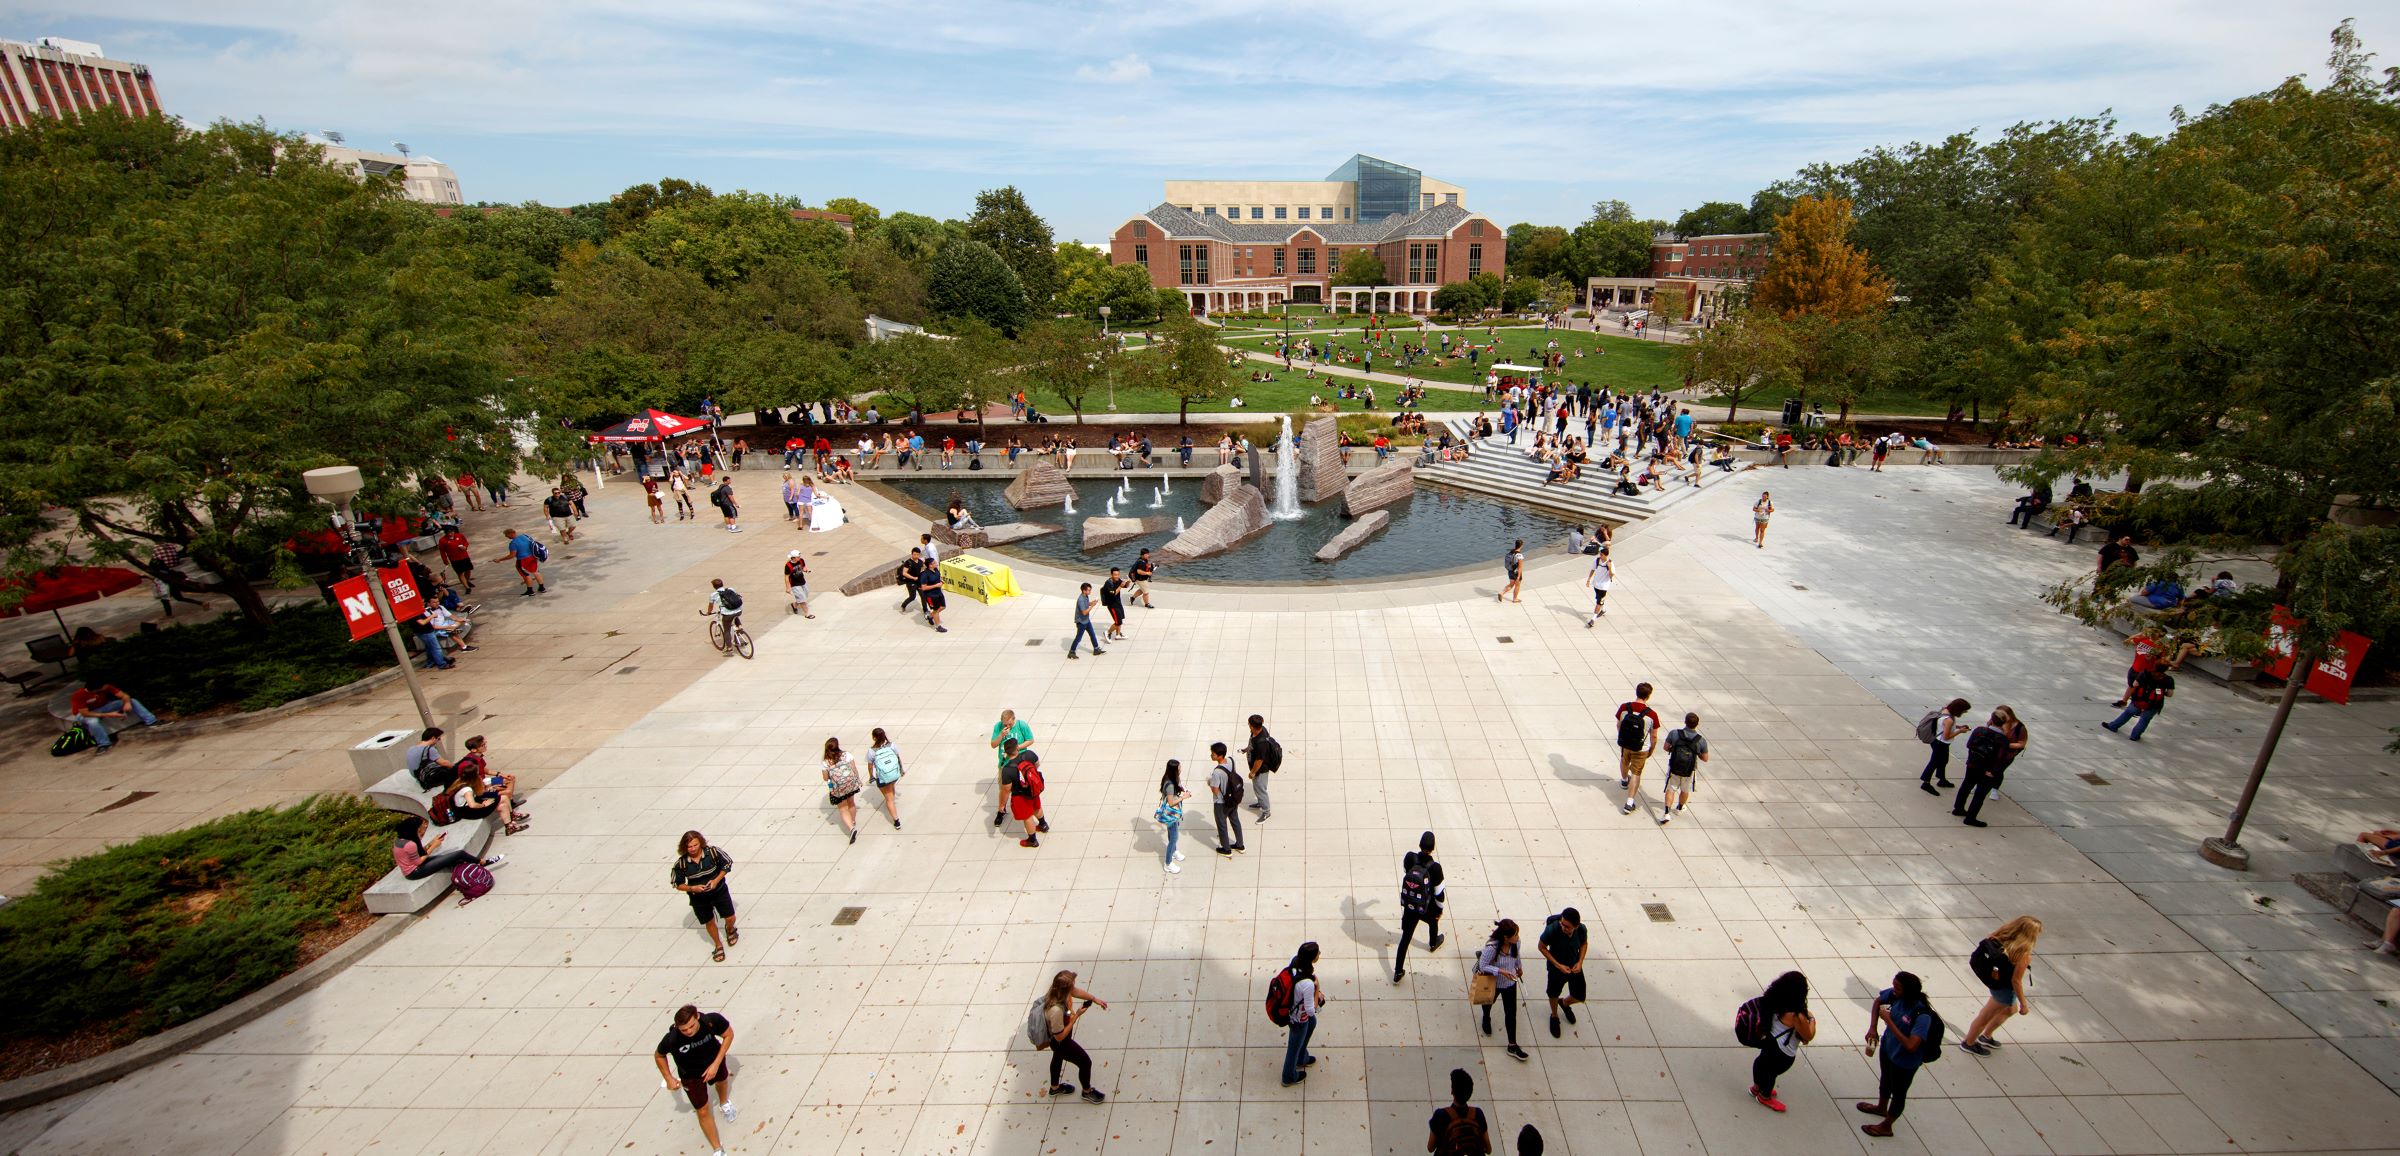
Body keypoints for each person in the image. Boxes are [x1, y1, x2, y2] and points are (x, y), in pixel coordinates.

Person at [1858, 971, 1935, 1137]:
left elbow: (1911, 1045)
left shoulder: (1922, 1016)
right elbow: (1878, 1001)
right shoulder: (1895, 995)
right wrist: (1873, 1027)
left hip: (1905, 1061)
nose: (1893, 990)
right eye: (1893, 985)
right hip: (1888, 1048)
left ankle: (1887, 1126)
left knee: (1899, 1093)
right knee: (1886, 1079)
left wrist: (1888, 1021)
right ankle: (1881, 1107)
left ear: (1908, 991)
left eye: (1897, 988)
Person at [653, 1005, 737, 1156]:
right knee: (703, 1111)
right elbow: (659, 1055)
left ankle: (724, 1103)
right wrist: (669, 1078)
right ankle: (718, 1149)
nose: (689, 1031)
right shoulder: (672, 1039)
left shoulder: (711, 1021)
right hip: (690, 1076)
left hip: (714, 1063)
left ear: (697, 1016)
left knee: (722, 1081)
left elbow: (728, 1035)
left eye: (691, 1026)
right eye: (684, 1029)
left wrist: (716, 1064)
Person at [1959, 916, 2041, 1055]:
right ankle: (1969, 1043)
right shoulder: (2023, 953)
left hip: (1994, 980)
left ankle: (1986, 1036)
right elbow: (2016, 981)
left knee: (2010, 1010)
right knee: (1985, 1017)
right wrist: (2024, 1004)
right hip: (2004, 990)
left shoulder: (1999, 936)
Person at [1036, 970, 1110, 1102]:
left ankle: (1054, 1088)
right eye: (1072, 986)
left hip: (1059, 1040)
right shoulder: (1056, 1011)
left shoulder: (1056, 992)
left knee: (1057, 1058)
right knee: (1085, 1062)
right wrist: (1076, 1016)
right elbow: (1059, 1037)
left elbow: (1075, 991)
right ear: (1065, 990)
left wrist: (1094, 999)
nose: (1074, 989)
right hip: (1061, 1043)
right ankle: (1087, 1092)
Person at [1748, 970, 1816, 1111]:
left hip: (1769, 1040)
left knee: (1761, 1062)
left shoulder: (1772, 999)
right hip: (1783, 1051)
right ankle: (1764, 1096)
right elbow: (1808, 1036)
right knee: (1772, 1072)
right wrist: (1812, 1019)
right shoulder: (1797, 1015)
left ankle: (1756, 1087)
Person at [672, 831, 738, 962]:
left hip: (719, 892)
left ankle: (730, 929)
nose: (692, 849)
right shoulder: (681, 864)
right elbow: (677, 883)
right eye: (689, 847)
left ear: (700, 843)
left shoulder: (713, 852)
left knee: (730, 917)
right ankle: (718, 945)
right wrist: (692, 888)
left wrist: (716, 881)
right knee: (709, 922)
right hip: (698, 898)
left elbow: (728, 863)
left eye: (695, 845)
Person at [1394, 831, 1446, 981]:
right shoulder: (1436, 868)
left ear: (1419, 844)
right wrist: (1439, 910)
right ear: (1433, 848)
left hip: (1411, 905)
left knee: (1405, 939)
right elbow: (1439, 893)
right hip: (1426, 907)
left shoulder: (1410, 857)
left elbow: (1407, 873)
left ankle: (1398, 971)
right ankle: (1433, 942)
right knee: (1433, 920)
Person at [1476, 919, 1530, 1061]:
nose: (1518, 937)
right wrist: (1500, 971)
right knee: (1488, 1003)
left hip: (1510, 983)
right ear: (1506, 937)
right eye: (1515, 935)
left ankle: (1512, 1045)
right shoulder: (1492, 948)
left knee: (1511, 1014)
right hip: (1493, 982)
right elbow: (1482, 966)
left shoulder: (1516, 943)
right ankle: (1486, 1017)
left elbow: (1516, 956)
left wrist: (1519, 967)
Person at [391, 815, 504, 882]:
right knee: (459, 854)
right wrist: (433, 847)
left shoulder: (401, 841)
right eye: (420, 829)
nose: (422, 830)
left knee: (451, 859)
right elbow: (418, 861)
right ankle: (482, 862)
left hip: (415, 867)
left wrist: (431, 842)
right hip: (415, 872)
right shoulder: (410, 844)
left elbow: (415, 854)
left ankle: (474, 872)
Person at [1278, 941, 1327, 1086]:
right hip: (1298, 1019)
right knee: (1293, 1046)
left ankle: (1301, 1057)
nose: (1320, 954)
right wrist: (1317, 989)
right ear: (1312, 958)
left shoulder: (1294, 960)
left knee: (1312, 1024)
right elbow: (1311, 1010)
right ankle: (1288, 1076)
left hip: (1294, 1009)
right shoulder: (1307, 984)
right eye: (1318, 953)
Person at [1537, 907, 1588, 1039]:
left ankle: (1564, 1003)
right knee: (1553, 993)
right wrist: (1558, 965)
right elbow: (1541, 947)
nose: (1563, 927)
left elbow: (1583, 944)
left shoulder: (1581, 930)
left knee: (1579, 995)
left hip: (1574, 966)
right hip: (1556, 968)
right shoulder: (1552, 929)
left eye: (1567, 926)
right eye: (1562, 923)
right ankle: (1554, 1016)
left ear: (1575, 926)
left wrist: (1580, 961)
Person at [66, 683, 157, 750]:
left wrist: (127, 703)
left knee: (132, 700)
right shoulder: (79, 695)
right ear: (96, 690)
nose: (106, 687)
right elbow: (85, 713)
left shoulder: (106, 687)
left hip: (103, 707)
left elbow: (124, 696)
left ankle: (152, 721)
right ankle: (104, 744)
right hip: (84, 714)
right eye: (103, 687)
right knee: (92, 722)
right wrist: (110, 714)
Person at [1615, 682, 1660, 815]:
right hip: (1641, 748)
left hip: (1626, 743)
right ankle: (1629, 802)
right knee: (1636, 773)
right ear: (1649, 696)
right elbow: (1654, 736)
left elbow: (1618, 725)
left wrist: (1622, 738)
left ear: (1637, 692)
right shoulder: (1652, 715)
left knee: (1624, 760)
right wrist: (1651, 749)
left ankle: (1624, 780)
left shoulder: (1624, 707)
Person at [1428, 1068, 1492, 1156]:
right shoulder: (1478, 1114)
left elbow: (1430, 1148)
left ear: (1452, 1091)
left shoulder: (1440, 1115)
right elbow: (1488, 1149)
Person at [449, 762, 527, 835]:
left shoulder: (464, 782)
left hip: (467, 809)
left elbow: (479, 793)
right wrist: (483, 805)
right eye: (477, 772)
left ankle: (510, 827)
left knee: (502, 806)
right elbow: (472, 805)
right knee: (503, 797)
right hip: (469, 812)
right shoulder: (467, 790)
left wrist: (490, 788)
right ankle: (512, 816)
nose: (479, 774)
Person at [1658, 713, 1708, 823]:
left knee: (1671, 789)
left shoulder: (1674, 733)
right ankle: (1680, 807)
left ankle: (1666, 813)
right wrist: (1697, 753)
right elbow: (1705, 758)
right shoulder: (1701, 740)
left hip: (1674, 767)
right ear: (1697, 724)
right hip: (1689, 770)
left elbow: (1666, 747)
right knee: (1685, 789)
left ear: (1685, 722)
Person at [989, 709, 1033, 828]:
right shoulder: (998, 727)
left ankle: (1031, 809)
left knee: (1024, 788)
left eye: (1009, 724)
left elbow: (1030, 740)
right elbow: (993, 744)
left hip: (1019, 763)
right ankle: (1001, 810)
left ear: (1014, 719)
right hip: (1005, 764)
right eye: (1005, 724)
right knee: (1004, 789)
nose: (1007, 726)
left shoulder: (1021, 725)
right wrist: (1001, 735)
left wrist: (1017, 748)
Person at [999, 736, 1046, 848]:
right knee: (1036, 806)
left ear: (1006, 753)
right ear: (1017, 748)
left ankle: (1032, 840)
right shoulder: (1029, 754)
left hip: (1020, 795)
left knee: (1027, 816)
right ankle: (1043, 825)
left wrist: (1002, 804)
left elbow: (1006, 789)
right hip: (1033, 789)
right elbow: (1037, 765)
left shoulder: (1007, 769)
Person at [2104, 666, 2173, 741]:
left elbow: (2134, 684)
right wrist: (2162, 692)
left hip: (2139, 700)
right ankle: (2135, 736)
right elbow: (2170, 694)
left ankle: (2113, 726)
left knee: (2128, 713)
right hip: (2154, 705)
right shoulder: (2168, 679)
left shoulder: (2145, 673)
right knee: (2144, 720)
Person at [1918, 698, 1972, 793]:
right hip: (1941, 744)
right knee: (1934, 763)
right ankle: (1925, 783)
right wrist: (1960, 731)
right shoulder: (1949, 720)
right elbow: (1946, 736)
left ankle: (1941, 779)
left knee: (1943, 761)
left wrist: (1958, 727)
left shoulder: (1945, 710)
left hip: (1937, 742)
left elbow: (1943, 726)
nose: (1965, 712)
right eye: (1964, 711)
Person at [1207, 741, 1246, 855]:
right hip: (1233, 798)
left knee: (1222, 825)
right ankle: (1240, 845)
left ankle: (1226, 849)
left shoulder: (1217, 772)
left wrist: (1210, 782)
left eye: (1213, 754)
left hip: (1221, 802)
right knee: (1235, 820)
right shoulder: (1231, 761)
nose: (1211, 755)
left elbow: (1215, 789)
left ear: (1219, 756)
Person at [1243, 713, 1282, 822]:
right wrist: (1246, 749)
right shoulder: (1259, 730)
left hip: (1261, 770)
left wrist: (1252, 772)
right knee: (1259, 787)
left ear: (1251, 726)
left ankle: (1266, 811)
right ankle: (1261, 802)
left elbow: (1259, 761)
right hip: (1258, 768)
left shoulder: (1261, 743)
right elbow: (1252, 743)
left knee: (1260, 789)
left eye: (1249, 724)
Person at [1157, 760, 1191, 873]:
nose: (1180, 769)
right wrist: (1184, 797)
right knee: (1174, 838)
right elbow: (1171, 802)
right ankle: (1168, 863)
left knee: (1172, 834)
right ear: (1174, 770)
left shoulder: (1172, 778)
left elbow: (1179, 786)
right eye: (1179, 768)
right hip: (1171, 814)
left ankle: (1174, 851)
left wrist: (1183, 790)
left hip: (1174, 813)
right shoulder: (1170, 784)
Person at [867, 727, 904, 829]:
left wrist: (871, 776)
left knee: (889, 799)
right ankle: (891, 798)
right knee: (891, 787)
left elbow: (870, 766)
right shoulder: (892, 745)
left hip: (883, 776)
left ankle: (896, 821)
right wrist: (901, 770)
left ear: (874, 738)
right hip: (894, 774)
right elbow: (897, 757)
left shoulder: (871, 751)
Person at [496, 527, 544, 596]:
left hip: (522, 560)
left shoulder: (513, 543)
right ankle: (542, 588)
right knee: (536, 572)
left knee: (526, 575)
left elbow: (512, 555)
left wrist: (499, 559)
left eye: (506, 535)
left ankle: (530, 591)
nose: (506, 537)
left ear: (511, 534)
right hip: (532, 557)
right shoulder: (524, 536)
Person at [1068, 582, 1105, 659]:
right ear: (1084, 591)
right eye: (1088, 590)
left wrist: (1092, 602)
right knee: (1078, 638)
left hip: (1086, 620)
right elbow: (1084, 612)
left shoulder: (1085, 596)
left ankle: (1096, 649)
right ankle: (1071, 652)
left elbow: (1087, 604)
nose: (1090, 592)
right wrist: (1092, 606)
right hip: (1081, 622)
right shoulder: (1080, 599)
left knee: (1092, 634)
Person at [916, 552, 947, 633]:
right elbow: (924, 587)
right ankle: (938, 627)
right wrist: (936, 585)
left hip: (939, 593)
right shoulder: (924, 575)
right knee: (936, 610)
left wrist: (940, 581)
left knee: (943, 607)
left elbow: (937, 578)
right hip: (931, 595)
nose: (936, 563)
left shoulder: (936, 570)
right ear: (930, 565)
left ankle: (930, 616)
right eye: (934, 563)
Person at [436, 526, 475, 592]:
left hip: (464, 557)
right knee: (460, 573)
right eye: (448, 533)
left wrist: (465, 547)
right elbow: (442, 551)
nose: (450, 534)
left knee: (468, 570)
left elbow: (466, 543)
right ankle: (467, 588)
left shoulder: (460, 536)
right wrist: (445, 560)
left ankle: (467, 581)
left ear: (454, 531)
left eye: (451, 532)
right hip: (454, 560)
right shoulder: (442, 540)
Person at [1584, 547, 1613, 627]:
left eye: (1602, 555)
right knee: (1598, 599)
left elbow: (1611, 576)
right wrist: (1588, 580)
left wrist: (1609, 568)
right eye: (1600, 554)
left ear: (1606, 555)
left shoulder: (1610, 563)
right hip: (1596, 584)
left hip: (1604, 587)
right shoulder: (1597, 561)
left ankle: (1593, 619)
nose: (1600, 556)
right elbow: (1592, 570)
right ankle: (1603, 610)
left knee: (1598, 603)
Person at [783, 551, 815, 618]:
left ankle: (794, 605)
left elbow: (803, 567)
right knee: (802, 599)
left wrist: (806, 570)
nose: (800, 557)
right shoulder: (788, 566)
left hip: (803, 581)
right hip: (795, 584)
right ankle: (807, 614)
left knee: (805, 595)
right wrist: (788, 588)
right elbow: (786, 577)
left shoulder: (801, 560)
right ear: (793, 558)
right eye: (798, 557)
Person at [1100, 567, 1128, 642]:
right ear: (1111, 575)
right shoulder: (1108, 584)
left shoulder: (1118, 580)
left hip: (1118, 603)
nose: (1117, 576)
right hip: (1112, 605)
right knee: (1117, 622)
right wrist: (1120, 586)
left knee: (1120, 619)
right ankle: (1107, 632)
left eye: (1118, 574)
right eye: (1115, 575)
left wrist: (1128, 581)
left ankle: (1118, 635)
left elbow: (1125, 586)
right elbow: (1114, 593)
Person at [1497, 539, 1524, 603]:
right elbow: (1520, 567)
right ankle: (1515, 599)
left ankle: (1501, 593)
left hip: (1510, 571)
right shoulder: (1519, 555)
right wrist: (1518, 577)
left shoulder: (1511, 552)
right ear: (1521, 546)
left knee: (1511, 584)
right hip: (1516, 573)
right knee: (1517, 585)